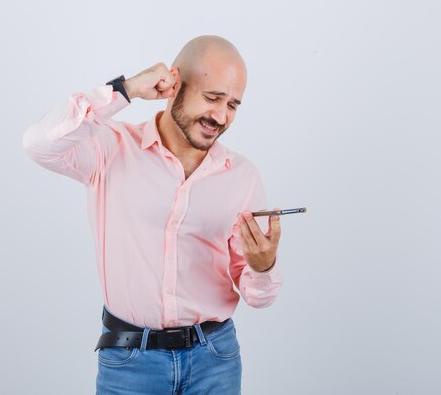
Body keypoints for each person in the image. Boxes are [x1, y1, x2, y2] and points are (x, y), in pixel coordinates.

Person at [22, 35, 283, 395]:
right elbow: (39, 143)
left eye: (233, 105)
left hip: (215, 361)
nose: (220, 116)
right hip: (130, 362)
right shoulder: (111, 149)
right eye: (212, 98)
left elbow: (258, 296)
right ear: (175, 84)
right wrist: (124, 89)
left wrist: (263, 265)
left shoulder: (242, 176)